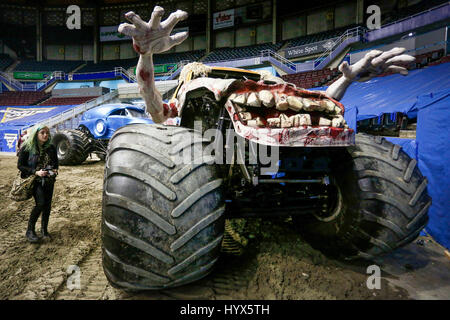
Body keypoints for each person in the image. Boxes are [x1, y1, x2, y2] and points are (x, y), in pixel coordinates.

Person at [17, 125, 58, 243]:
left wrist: (54, 170)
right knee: (40, 203)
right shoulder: (27, 147)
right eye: (42, 133)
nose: (46, 135)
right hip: (34, 180)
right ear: (36, 134)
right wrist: (36, 172)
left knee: (47, 206)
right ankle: (30, 231)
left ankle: (44, 230)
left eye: (47, 133)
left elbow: (55, 163)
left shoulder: (51, 147)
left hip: (49, 180)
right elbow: (20, 166)